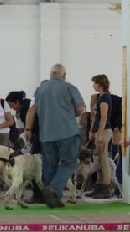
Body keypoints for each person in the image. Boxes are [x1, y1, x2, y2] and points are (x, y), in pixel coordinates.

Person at [26, 63, 85, 208]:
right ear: (64, 75)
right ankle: (54, 189)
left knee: (49, 166)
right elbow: (80, 108)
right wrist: (69, 114)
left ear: (50, 74)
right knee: (69, 163)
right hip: (67, 132)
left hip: (46, 134)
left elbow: (34, 110)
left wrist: (28, 128)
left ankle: (53, 199)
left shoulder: (39, 90)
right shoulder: (69, 87)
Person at [88, 74, 114, 199]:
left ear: (100, 84)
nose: (93, 85)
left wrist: (99, 134)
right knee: (98, 160)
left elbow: (103, 117)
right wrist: (92, 131)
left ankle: (106, 187)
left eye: (95, 83)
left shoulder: (105, 99)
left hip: (104, 131)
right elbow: (96, 117)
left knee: (103, 160)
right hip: (98, 130)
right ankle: (98, 186)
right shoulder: (101, 97)